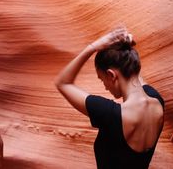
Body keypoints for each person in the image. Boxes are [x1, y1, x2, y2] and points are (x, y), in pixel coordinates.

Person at [54, 27, 164, 169]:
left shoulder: (110, 114)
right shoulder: (157, 101)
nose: (105, 86)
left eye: (102, 79)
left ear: (111, 75)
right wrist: (126, 49)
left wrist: (92, 47)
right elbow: (134, 72)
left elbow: (62, 82)